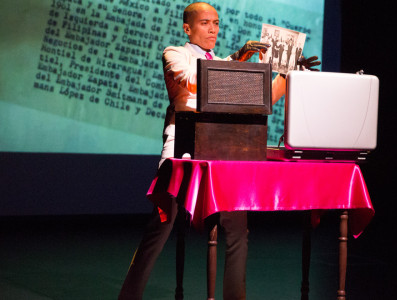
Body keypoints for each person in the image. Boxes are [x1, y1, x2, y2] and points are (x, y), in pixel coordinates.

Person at [119, 2, 320, 300]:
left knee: (238, 230)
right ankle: (128, 297)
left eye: (216, 22)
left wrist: (288, 73)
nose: (213, 28)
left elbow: (261, 97)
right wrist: (238, 60)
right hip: (183, 153)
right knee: (160, 229)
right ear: (188, 28)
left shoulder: (225, 65)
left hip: (223, 153)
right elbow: (197, 81)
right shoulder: (176, 53)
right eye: (205, 23)